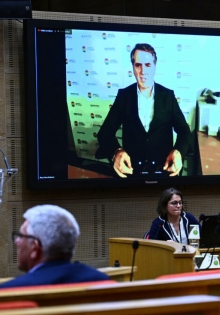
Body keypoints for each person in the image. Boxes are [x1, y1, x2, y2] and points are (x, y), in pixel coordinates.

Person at [95, 43, 193, 178]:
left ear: (154, 66)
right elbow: (105, 133)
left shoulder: (168, 96)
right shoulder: (124, 96)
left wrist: (178, 152)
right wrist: (116, 152)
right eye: (138, 65)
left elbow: (184, 131)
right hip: (131, 169)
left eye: (148, 65)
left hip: (165, 168)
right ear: (133, 67)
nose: (143, 71)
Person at [0, 205, 110, 289]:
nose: (17, 242)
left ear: (34, 247)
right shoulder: (105, 284)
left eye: (21, 236)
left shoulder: (10, 292)